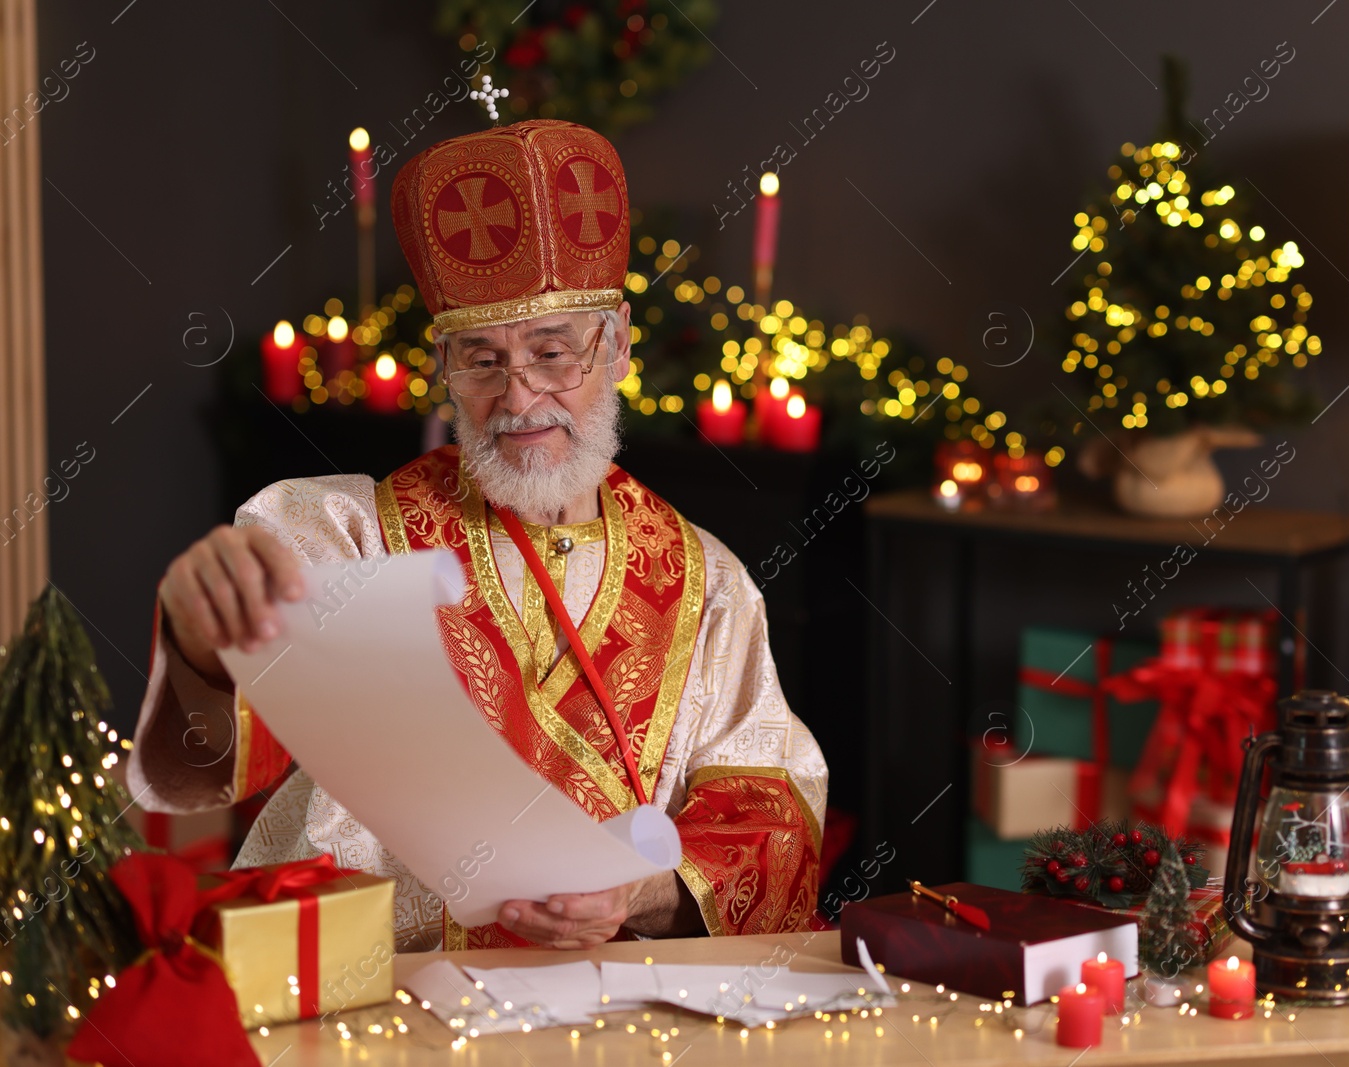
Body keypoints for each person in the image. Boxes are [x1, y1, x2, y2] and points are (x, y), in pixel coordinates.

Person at [127, 119, 827, 952]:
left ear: (619, 346)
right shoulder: (341, 538)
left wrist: (640, 891)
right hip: (375, 1002)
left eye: (553, 352)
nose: (520, 397)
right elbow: (207, 767)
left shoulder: (708, 583)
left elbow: (773, 817)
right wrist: (205, 651)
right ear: (442, 367)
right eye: (482, 359)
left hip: (612, 1015)